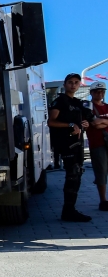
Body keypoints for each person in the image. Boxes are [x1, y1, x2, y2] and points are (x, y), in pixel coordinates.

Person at [48, 73, 95, 222]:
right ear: (65, 84)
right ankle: (68, 211)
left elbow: (86, 121)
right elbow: (51, 122)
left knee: (77, 175)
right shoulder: (60, 101)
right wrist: (70, 125)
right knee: (72, 175)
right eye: (70, 82)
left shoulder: (78, 103)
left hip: (77, 144)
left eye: (76, 82)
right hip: (65, 143)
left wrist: (85, 124)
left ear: (79, 85)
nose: (73, 85)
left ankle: (70, 209)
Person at [85, 82, 108, 211]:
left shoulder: (107, 107)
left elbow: (99, 123)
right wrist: (105, 122)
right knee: (101, 172)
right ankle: (103, 201)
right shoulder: (88, 107)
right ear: (91, 93)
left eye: (102, 91)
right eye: (97, 91)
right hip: (97, 144)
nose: (100, 94)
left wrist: (102, 121)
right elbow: (94, 124)